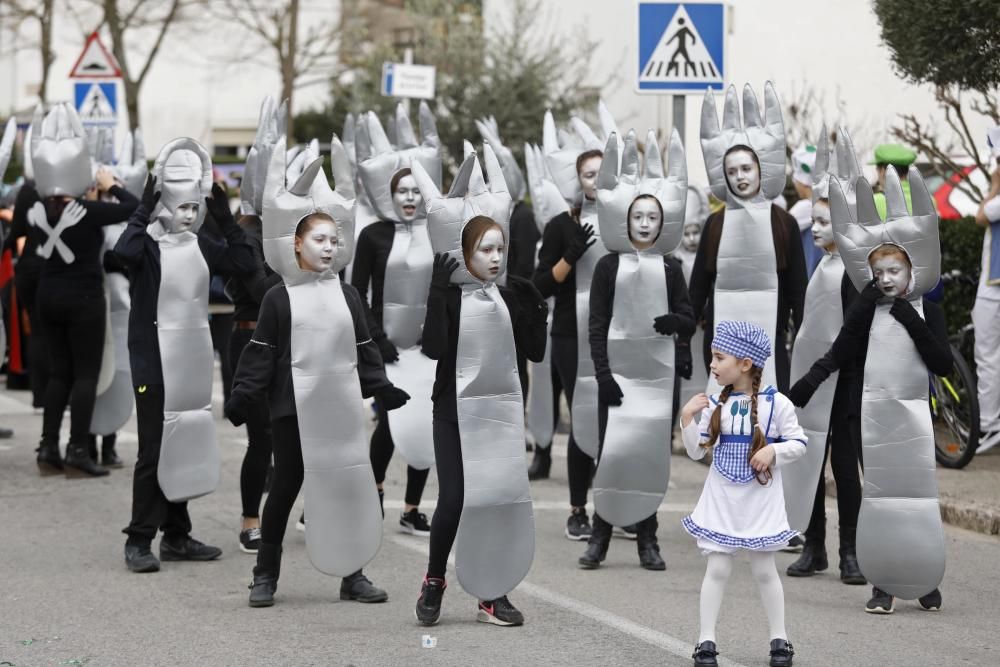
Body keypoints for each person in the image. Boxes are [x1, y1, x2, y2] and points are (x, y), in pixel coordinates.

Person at [227, 212, 409, 607]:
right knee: (286, 485)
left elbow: (364, 348)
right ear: (297, 244)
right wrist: (244, 394)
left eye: (333, 241)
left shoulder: (348, 296)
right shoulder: (279, 296)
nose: (328, 248)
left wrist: (382, 388)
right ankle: (264, 575)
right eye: (318, 240)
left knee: (344, 488)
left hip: (341, 408)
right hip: (293, 407)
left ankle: (352, 574)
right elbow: (262, 351)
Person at [116, 154, 253, 573]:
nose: (189, 216)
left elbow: (245, 266)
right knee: (155, 451)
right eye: (183, 207)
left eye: (195, 208)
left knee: (186, 441)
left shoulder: (199, 243)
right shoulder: (147, 246)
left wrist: (225, 219)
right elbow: (122, 253)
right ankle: (139, 539)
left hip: (191, 362)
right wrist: (143, 208)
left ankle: (176, 534)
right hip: (153, 363)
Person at [415, 216, 547, 627]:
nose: (493, 258)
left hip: (500, 414)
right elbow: (434, 349)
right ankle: (434, 581)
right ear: (464, 254)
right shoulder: (452, 298)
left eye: (499, 249)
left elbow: (536, 353)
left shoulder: (508, 297)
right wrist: (437, 292)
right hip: (452, 412)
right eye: (483, 250)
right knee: (454, 499)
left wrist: (535, 307)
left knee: (493, 500)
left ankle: (493, 593)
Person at [580, 130, 695, 571]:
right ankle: (600, 535)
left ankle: (649, 539)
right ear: (625, 221)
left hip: (657, 379)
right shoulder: (610, 266)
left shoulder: (671, 267)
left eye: (652, 217)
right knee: (613, 453)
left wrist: (676, 322)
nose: (645, 224)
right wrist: (604, 375)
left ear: (661, 223)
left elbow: (688, 316)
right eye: (638, 217)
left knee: (648, 455)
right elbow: (598, 324)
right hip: (619, 379)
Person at [680, 321, 804, 667]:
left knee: (765, 570)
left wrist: (773, 453)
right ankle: (706, 642)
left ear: (745, 363)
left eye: (719, 357)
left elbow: (798, 443)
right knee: (717, 569)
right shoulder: (713, 404)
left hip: (759, 500)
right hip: (721, 498)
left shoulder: (775, 403)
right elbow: (696, 452)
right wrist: (687, 419)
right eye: (712, 357)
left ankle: (779, 640)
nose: (713, 365)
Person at [28, 104, 139, 477]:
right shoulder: (88, 211)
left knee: (60, 373)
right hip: (84, 299)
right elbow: (134, 208)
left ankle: (47, 448)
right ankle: (78, 449)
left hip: (48, 295)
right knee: (86, 374)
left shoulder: (38, 212)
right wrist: (112, 185)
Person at [782, 129, 865, 585]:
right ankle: (813, 545)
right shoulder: (821, 266)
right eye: (813, 220)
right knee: (807, 458)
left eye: (824, 221)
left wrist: (824, 371)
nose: (815, 229)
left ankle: (848, 548)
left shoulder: (853, 272)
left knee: (843, 464)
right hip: (810, 379)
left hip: (842, 378)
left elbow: (851, 332)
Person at [531, 148, 603, 541]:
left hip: (617, 334)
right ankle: (578, 510)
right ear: (579, 181)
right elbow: (540, 285)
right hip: (570, 335)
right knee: (584, 417)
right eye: (589, 174)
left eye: (604, 172)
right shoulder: (561, 225)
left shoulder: (627, 220)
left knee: (617, 422)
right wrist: (570, 258)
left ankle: (615, 506)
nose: (597, 179)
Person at [972, 126, 1000, 452]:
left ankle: (991, 426)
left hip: (992, 289)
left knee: (988, 358)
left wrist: (994, 184)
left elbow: (980, 215)